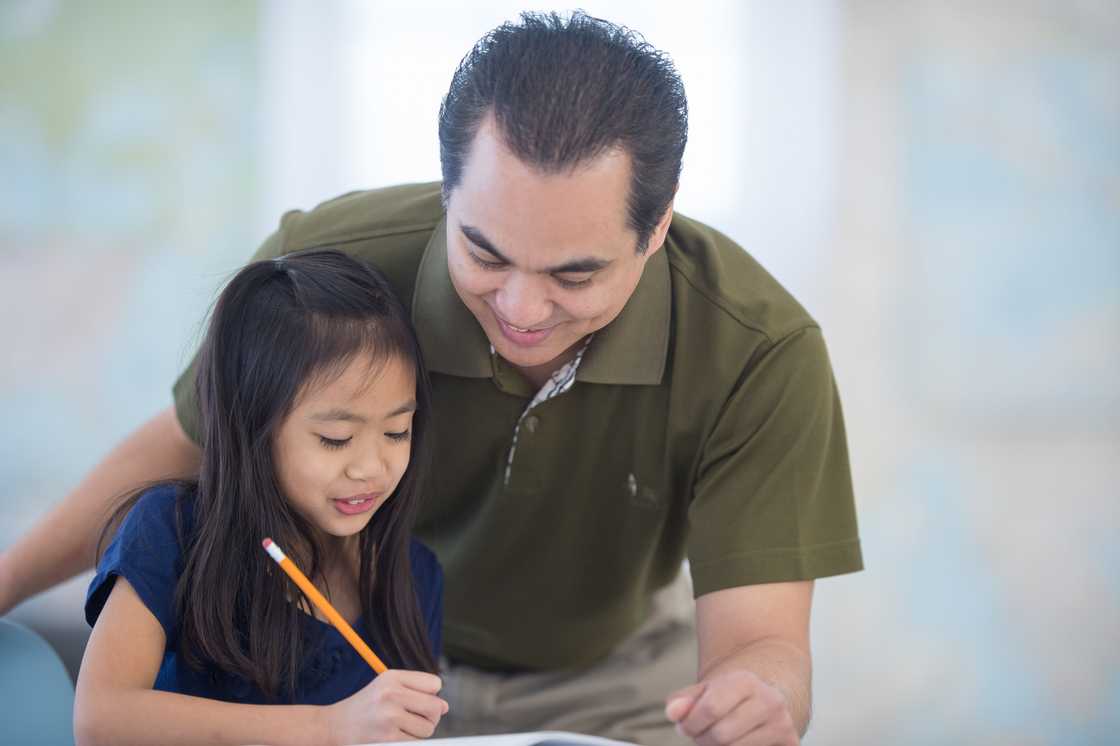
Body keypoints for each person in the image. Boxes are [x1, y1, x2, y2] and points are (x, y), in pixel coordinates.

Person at [2, 11, 862, 746]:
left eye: (574, 275)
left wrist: (761, 695)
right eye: (483, 253)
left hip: (616, 674)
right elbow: (179, 456)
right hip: (366, 663)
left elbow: (763, 642)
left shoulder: (761, 350)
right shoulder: (328, 272)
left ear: (657, 227)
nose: (522, 308)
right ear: (448, 192)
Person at [72, 250, 448, 745]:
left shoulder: (414, 575)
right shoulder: (173, 531)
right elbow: (101, 721)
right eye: (335, 438)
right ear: (253, 427)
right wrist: (329, 728)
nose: (371, 468)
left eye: (397, 432)